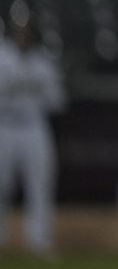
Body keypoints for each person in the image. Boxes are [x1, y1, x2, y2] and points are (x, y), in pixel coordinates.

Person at [0, 18, 65, 257]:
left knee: (40, 184)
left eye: (26, 32)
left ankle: (38, 239)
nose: (22, 36)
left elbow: (57, 101)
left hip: (34, 126)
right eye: (18, 31)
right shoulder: (2, 58)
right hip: (4, 125)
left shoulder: (44, 62)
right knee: (1, 184)